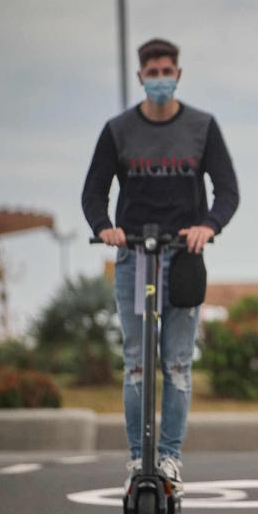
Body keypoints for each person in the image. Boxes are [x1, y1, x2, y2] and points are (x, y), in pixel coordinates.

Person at [81, 38, 240, 488]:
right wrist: (105, 226)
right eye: (152, 73)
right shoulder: (119, 130)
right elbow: (94, 192)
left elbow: (227, 191)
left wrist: (207, 226)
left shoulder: (201, 127)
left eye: (167, 71)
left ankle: (168, 459)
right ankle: (137, 459)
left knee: (176, 364)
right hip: (134, 256)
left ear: (178, 75)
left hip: (184, 257)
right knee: (135, 361)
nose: (160, 79)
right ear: (140, 78)